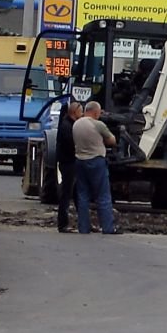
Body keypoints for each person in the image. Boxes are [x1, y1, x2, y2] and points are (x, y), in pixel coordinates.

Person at [72, 101, 122, 235]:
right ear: (95, 112)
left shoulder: (77, 124)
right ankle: (107, 227)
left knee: (82, 196)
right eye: (99, 112)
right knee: (103, 196)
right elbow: (112, 141)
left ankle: (83, 228)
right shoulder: (98, 124)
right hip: (96, 161)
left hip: (80, 160)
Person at [56, 101, 83, 233]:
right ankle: (63, 224)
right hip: (68, 163)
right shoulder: (67, 126)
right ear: (74, 112)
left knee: (77, 194)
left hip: (71, 162)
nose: (82, 114)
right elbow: (70, 144)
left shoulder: (70, 124)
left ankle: (83, 222)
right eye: (80, 111)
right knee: (67, 193)